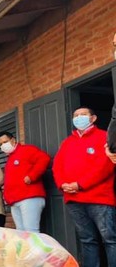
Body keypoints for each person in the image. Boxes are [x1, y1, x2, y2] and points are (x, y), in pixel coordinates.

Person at [53, 107, 116, 267]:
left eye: (83, 115)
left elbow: (106, 166)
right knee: (87, 240)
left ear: (93, 118)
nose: (79, 117)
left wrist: (80, 184)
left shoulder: (105, 137)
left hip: (100, 199)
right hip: (74, 200)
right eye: (75, 115)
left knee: (110, 239)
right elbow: (57, 166)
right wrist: (62, 185)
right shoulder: (67, 142)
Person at [0, 131, 50, 233]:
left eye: (5, 142)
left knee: (31, 232)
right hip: (15, 201)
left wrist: (32, 176)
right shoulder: (9, 158)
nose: (3, 145)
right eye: (0, 144)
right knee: (21, 233)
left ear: (13, 140)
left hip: (29, 197)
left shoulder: (27, 150)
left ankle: (35, 250)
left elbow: (44, 159)